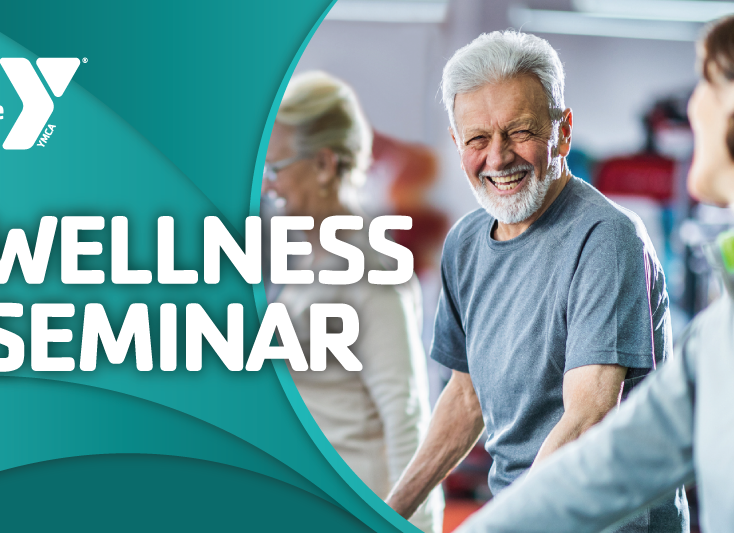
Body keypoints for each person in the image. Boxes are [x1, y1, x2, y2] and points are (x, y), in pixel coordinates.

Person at [386, 31, 688, 531]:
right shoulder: (465, 244)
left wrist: (496, 525)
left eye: (520, 131)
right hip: (524, 514)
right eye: (477, 139)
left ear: (562, 132)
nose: (498, 157)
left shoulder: (606, 238)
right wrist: (385, 511)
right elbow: (466, 397)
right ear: (458, 144)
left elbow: (586, 419)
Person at [453, 15, 734, 533]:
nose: (695, 105)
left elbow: (589, 424)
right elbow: (618, 456)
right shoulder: (719, 331)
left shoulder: (608, 238)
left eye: (708, 85)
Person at [262, 71, 444, 533]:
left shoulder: (371, 271)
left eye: (277, 168)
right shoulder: (310, 259)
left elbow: (406, 418)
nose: (269, 185)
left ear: (324, 165)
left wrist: (418, 528)